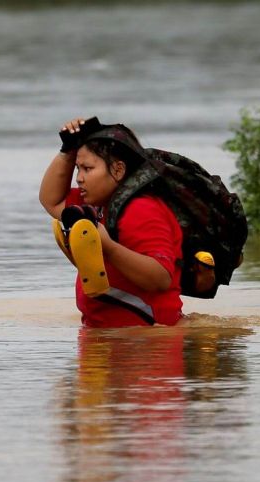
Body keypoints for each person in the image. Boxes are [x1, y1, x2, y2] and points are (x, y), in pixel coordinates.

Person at [39, 117, 183, 327]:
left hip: (148, 342)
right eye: (78, 169)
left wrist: (108, 247)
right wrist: (67, 151)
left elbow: (161, 278)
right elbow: (51, 201)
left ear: (117, 170)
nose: (79, 178)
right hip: (110, 337)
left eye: (87, 169)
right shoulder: (97, 203)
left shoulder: (141, 209)